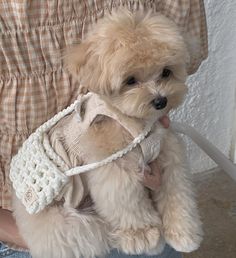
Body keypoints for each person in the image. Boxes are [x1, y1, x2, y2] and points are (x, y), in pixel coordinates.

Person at [0, 1, 208, 257]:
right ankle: (136, 232)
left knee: (171, 156)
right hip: (58, 211)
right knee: (121, 179)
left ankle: (180, 224)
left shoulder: (142, 119)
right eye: (132, 81)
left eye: (165, 74)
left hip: (123, 177)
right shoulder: (103, 122)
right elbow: (117, 186)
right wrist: (138, 227)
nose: (159, 95)